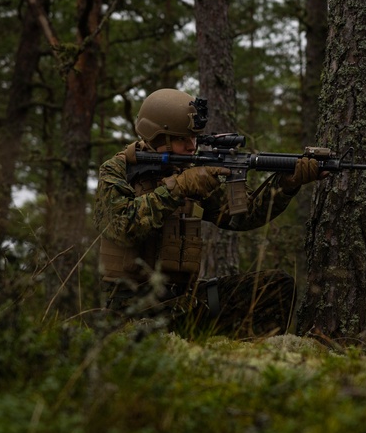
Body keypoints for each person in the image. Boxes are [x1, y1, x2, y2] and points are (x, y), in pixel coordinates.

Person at [93, 88, 321, 337]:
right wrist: (176, 189)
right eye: (183, 139)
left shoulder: (189, 170)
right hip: (131, 315)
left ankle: (242, 363)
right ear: (159, 137)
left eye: (195, 139)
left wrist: (286, 184)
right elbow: (120, 227)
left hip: (182, 306)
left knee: (277, 287)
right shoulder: (117, 171)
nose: (192, 147)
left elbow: (240, 217)